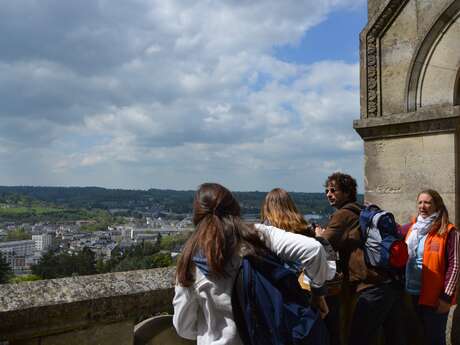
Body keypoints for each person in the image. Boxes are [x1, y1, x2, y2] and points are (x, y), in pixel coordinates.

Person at [173, 183, 333, 345]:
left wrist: (210, 328)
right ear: (235, 208)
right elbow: (313, 250)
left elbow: (183, 328)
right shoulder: (258, 234)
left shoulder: (189, 259)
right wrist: (317, 295)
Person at [315, 172, 406, 345]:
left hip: (371, 287)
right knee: (394, 337)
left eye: (333, 190)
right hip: (389, 282)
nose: (329, 194)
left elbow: (320, 246)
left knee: (359, 338)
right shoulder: (361, 210)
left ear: (347, 192)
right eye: (327, 191)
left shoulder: (343, 215)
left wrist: (318, 234)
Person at [260, 187, 338, 320]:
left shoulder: (263, 233)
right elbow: (321, 263)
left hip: (275, 290)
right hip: (305, 289)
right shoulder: (304, 229)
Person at [404, 189, 459, 345]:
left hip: (435, 297)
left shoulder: (449, 231)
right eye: (420, 202)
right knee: (419, 337)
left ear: (437, 205)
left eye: (427, 202)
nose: (423, 206)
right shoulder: (414, 228)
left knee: (434, 339)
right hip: (413, 292)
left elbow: (454, 266)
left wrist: (446, 297)